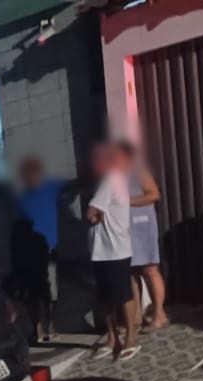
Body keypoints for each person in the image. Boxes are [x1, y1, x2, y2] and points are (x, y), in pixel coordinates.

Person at [87, 141, 140, 361]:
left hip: (114, 248)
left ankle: (129, 337)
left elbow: (91, 212)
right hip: (103, 250)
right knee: (106, 296)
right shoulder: (113, 180)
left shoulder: (111, 179)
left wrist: (96, 216)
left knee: (121, 294)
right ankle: (112, 337)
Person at [13, 156, 65, 341]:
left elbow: (71, 188)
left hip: (50, 248)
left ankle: (51, 324)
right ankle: (38, 327)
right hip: (32, 251)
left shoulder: (51, 188)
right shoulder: (21, 199)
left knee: (50, 291)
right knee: (35, 292)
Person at [124, 142, 168, 330]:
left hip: (143, 228)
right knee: (132, 274)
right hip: (127, 230)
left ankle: (159, 313)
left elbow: (154, 195)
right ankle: (136, 317)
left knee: (150, 270)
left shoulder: (139, 172)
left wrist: (128, 201)